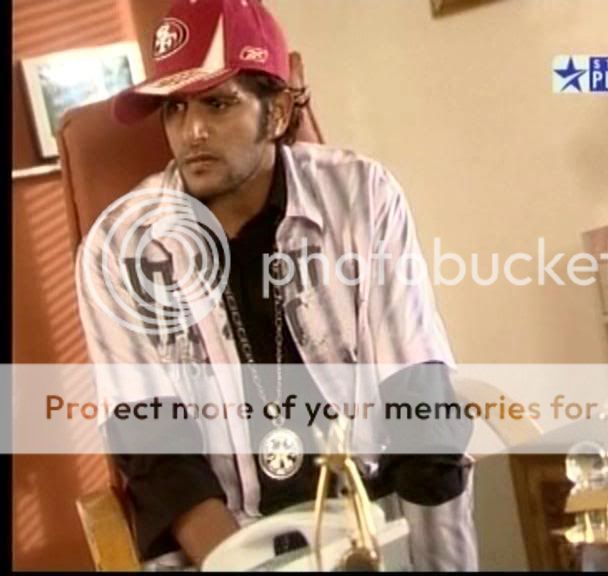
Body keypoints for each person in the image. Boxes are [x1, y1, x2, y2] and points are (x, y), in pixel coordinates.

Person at [76, 0, 477, 570]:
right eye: (174, 107)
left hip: (368, 526)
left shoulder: (363, 198)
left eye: (218, 103)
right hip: (223, 548)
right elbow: (159, 457)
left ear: (279, 111)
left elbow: (418, 403)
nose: (192, 131)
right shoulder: (120, 248)